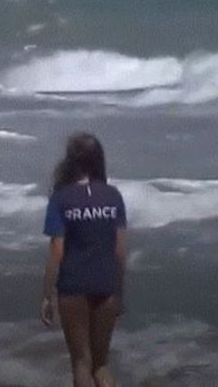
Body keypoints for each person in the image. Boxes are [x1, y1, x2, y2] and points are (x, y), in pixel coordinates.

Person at [40, 133, 127, 387]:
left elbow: (57, 250)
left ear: (70, 162)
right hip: (105, 283)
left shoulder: (61, 199)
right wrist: (119, 291)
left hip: (73, 287)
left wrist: (47, 295)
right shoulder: (113, 196)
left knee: (81, 362)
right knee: (101, 365)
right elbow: (120, 250)